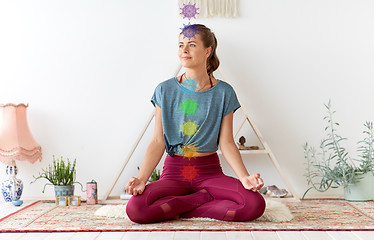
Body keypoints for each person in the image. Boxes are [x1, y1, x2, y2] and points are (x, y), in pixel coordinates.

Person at [125, 24, 266, 224]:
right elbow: (158, 141)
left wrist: (244, 178)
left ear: (207, 51)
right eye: (181, 45)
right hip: (174, 173)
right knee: (136, 210)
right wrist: (141, 179)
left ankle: (180, 206)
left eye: (191, 45)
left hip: (209, 172)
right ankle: (201, 199)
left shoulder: (224, 92)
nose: (184, 50)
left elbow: (226, 143)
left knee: (254, 204)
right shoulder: (164, 90)